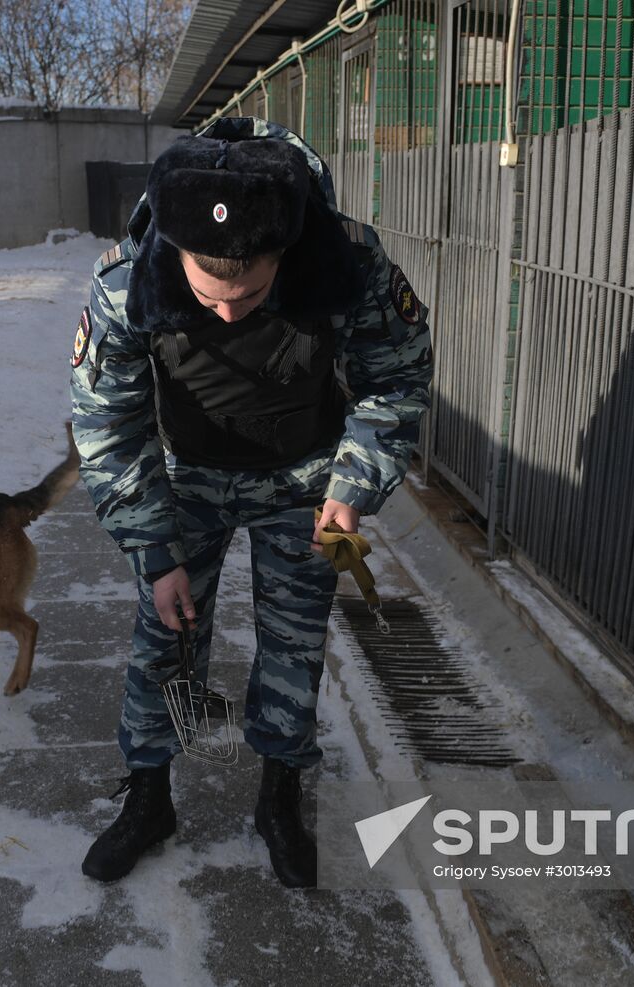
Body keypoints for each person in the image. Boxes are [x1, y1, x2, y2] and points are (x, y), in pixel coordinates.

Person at [68, 117, 432, 888]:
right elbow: (107, 422)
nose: (229, 315)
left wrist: (353, 489)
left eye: (254, 295)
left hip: (310, 487)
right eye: (208, 299)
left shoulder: (351, 262)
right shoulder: (128, 279)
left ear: (287, 252)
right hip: (183, 481)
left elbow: (396, 379)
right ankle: (148, 796)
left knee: (297, 642)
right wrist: (154, 549)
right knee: (161, 634)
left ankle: (280, 796)